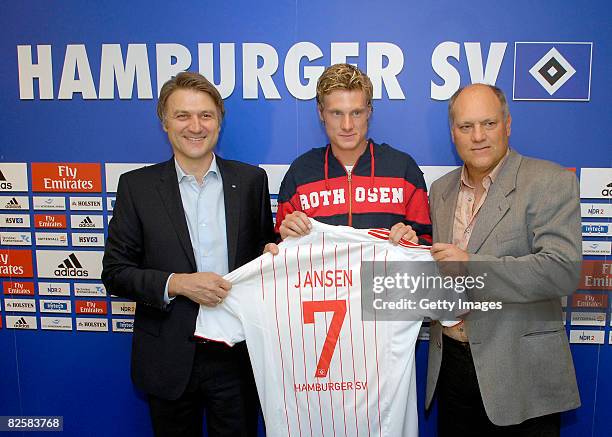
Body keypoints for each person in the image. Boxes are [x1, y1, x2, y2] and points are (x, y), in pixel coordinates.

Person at [102, 72, 275, 436]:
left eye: (206, 115)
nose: (195, 126)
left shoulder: (250, 181)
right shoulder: (137, 187)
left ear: (219, 122)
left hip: (237, 354)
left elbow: (264, 253)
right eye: (183, 115)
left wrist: (277, 251)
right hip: (168, 356)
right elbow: (116, 272)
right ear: (165, 122)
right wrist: (177, 283)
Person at [426, 84, 581, 436]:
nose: (478, 136)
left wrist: (472, 264)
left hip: (520, 374)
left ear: (507, 125)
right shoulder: (441, 190)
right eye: (466, 127)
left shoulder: (549, 181)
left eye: (488, 124)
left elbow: (562, 270)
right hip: (451, 366)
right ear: (453, 134)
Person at [267, 63, 431, 251]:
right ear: (321, 113)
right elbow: (279, 250)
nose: (347, 125)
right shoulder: (300, 173)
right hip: (323, 281)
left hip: (380, 280)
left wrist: (414, 240)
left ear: (369, 111)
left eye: (356, 113)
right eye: (337, 113)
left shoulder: (403, 169)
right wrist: (286, 236)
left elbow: (427, 244)